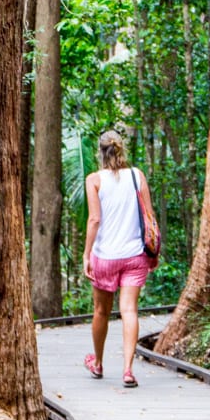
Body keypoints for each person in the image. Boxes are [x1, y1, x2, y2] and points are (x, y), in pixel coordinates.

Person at [82, 129, 157, 388]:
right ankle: (127, 370)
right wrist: (154, 251)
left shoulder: (94, 180)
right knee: (129, 311)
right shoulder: (137, 176)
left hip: (105, 256)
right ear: (121, 149)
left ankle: (99, 363)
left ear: (100, 153)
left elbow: (94, 219)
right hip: (135, 255)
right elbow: (149, 215)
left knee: (101, 311)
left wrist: (86, 254)